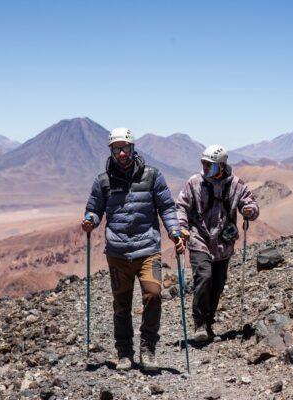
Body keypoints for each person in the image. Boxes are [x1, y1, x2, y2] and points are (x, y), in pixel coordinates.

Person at [82, 127, 184, 371]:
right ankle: (125, 353)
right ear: (111, 151)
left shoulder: (152, 176)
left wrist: (174, 231)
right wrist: (90, 220)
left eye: (125, 148)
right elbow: (94, 208)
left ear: (132, 148)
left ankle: (148, 348)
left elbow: (167, 207)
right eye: (116, 149)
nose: (121, 153)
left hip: (150, 250)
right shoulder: (103, 180)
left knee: (154, 295)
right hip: (117, 254)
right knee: (121, 304)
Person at [176, 144, 259, 341]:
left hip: (223, 242)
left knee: (218, 283)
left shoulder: (236, 185)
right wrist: (181, 227)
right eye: (203, 164)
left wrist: (249, 210)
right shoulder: (194, 183)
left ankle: (208, 321)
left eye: (210, 165)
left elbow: (250, 203)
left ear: (221, 166)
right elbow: (181, 206)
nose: (205, 168)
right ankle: (199, 322)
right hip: (199, 238)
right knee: (204, 277)